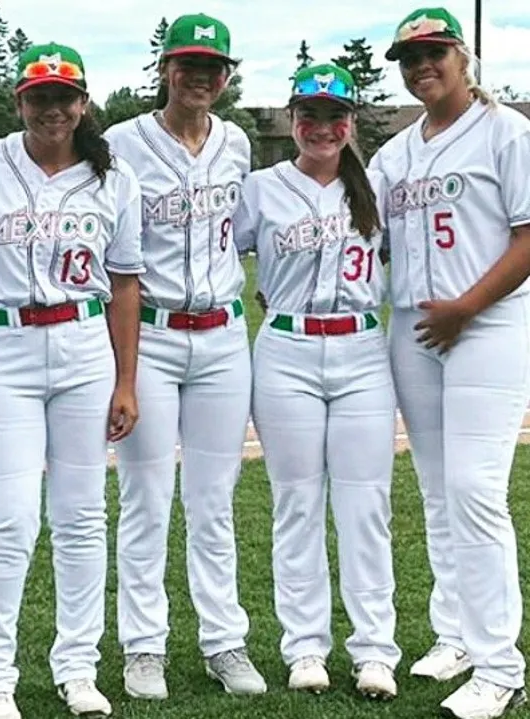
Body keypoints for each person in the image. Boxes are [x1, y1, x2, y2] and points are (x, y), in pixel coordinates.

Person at [0, 42, 143, 719]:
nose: (52, 107)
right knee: (8, 520)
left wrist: (127, 379)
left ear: (83, 103)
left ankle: (78, 665)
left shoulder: (112, 177)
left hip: (85, 342)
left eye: (64, 96)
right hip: (5, 344)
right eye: (39, 95)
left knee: (83, 516)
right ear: (20, 102)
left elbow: (124, 283)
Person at [369, 7, 530, 718]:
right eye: (409, 57)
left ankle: (502, 663)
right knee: (437, 490)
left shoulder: (508, 132)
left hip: (487, 322)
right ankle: (455, 631)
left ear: (463, 58)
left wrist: (467, 304)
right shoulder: (394, 153)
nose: (421, 66)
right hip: (412, 326)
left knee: (473, 489)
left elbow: (528, 237)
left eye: (433, 52)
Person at [102, 12, 267, 699]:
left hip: (225, 334)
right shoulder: (121, 142)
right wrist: (126, 371)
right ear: (164, 70)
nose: (199, 77)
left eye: (212, 67)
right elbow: (113, 254)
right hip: (158, 332)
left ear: (226, 78)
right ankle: (144, 646)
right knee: (145, 496)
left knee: (213, 499)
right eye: (187, 64)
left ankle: (223, 639)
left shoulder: (236, 142)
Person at [233, 63, 400, 700]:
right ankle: (305, 648)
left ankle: (374, 652)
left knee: (366, 507)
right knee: (296, 504)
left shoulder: (377, 185)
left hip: (361, 349)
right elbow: (222, 255)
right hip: (287, 348)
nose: (322, 126)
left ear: (351, 122)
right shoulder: (261, 188)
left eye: (334, 115)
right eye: (309, 114)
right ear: (293, 120)